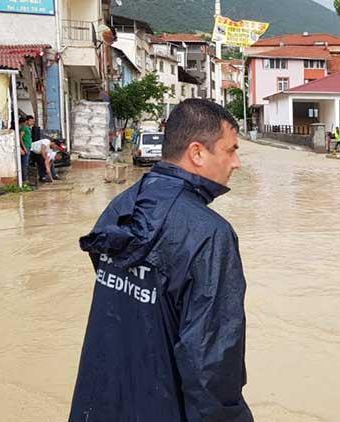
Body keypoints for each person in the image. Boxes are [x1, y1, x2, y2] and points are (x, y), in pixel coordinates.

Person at [70, 99, 252, 422]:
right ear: (197, 153)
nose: (236, 162)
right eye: (231, 150)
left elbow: (124, 313)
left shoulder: (119, 208)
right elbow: (211, 370)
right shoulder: (210, 236)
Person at [19, 116, 33, 182]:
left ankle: (25, 178)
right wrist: (24, 148)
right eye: (30, 121)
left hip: (29, 147)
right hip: (26, 147)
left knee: (26, 163)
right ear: (26, 121)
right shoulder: (24, 128)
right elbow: (20, 138)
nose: (31, 122)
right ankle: (24, 179)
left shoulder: (28, 128)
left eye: (32, 121)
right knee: (24, 164)